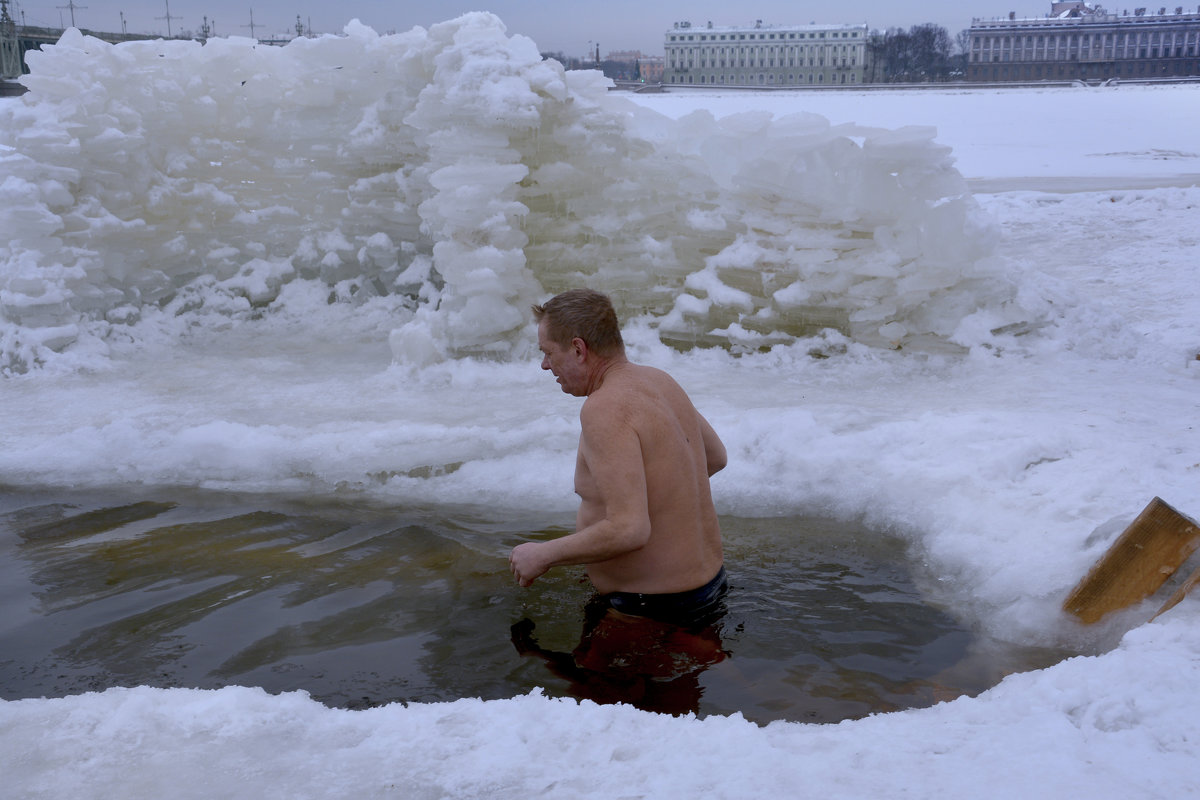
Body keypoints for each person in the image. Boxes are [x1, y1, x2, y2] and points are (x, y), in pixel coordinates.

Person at [509, 288, 728, 627]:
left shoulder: (604, 408)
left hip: (652, 608)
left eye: (549, 353)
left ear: (579, 349)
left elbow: (630, 530)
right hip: (710, 585)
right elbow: (715, 457)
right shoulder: (659, 381)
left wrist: (543, 555)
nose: (544, 365)